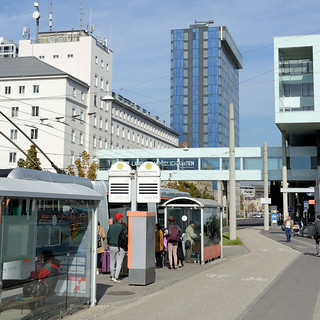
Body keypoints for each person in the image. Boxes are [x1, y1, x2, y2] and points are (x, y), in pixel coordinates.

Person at [107, 213, 125, 282]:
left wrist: (109, 243)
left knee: (112, 261)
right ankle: (116, 277)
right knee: (119, 262)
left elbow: (108, 236)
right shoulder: (122, 227)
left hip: (111, 246)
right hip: (120, 246)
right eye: (121, 218)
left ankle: (112, 275)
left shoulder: (111, 227)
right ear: (120, 219)